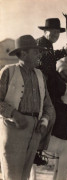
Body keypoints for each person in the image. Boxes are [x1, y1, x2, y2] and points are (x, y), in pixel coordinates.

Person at [0, 35, 55, 179]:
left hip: (35, 132)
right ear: (23, 53)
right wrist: (15, 115)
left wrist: (44, 122)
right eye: (35, 52)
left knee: (24, 177)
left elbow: (48, 105)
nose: (39, 55)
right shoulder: (8, 71)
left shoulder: (40, 75)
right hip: (14, 129)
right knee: (13, 177)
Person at [36, 18, 67, 164]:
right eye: (52, 32)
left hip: (49, 82)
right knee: (49, 112)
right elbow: (43, 61)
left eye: (58, 33)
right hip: (40, 83)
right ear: (45, 31)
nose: (55, 35)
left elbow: (51, 65)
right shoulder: (39, 43)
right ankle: (37, 149)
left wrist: (66, 81)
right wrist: (64, 51)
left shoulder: (49, 45)